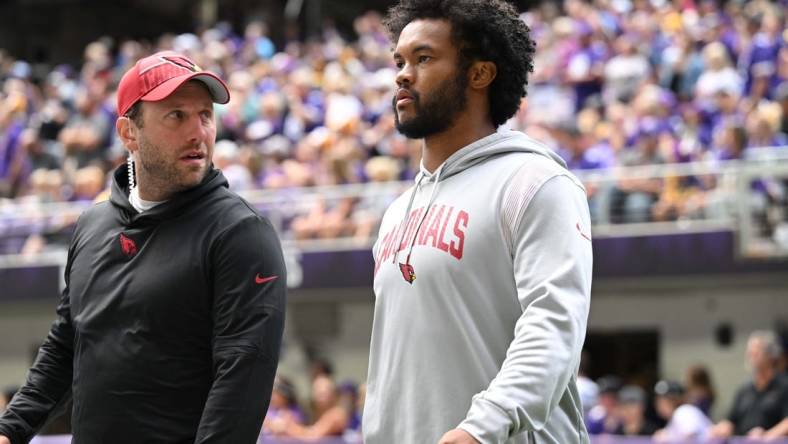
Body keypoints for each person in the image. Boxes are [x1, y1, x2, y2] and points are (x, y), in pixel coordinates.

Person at [0, 51, 287, 444]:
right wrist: (9, 430)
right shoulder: (92, 225)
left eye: (205, 115)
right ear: (128, 132)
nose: (198, 132)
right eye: (176, 115)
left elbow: (242, 382)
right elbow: (67, 345)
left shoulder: (240, 233)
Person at [363, 1, 593, 443]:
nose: (402, 75)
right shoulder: (396, 213)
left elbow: (554, 323)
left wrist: (480, 429)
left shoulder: (534, 182)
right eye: (400, 60)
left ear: (480, 74)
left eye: (423, 58)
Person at [708, 330, 788, 440]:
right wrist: (723, 427)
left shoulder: (784, 386)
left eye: (756, 352)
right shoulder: (744, 389)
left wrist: (767, 436)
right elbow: (731, 419)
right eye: (749, 352)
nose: (751, 356)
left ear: (770, 355)